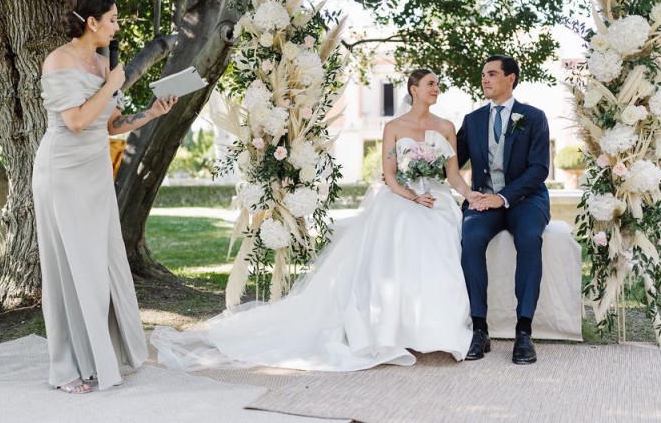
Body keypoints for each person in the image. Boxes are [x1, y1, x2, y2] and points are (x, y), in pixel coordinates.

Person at [152, 69, 480, 372]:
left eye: (437, 85)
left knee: (441, 230)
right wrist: (413, 196)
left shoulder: (445, 127)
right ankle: (392, 329)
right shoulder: (394, 127)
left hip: (435, 197)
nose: (437, 89)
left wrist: (472, 195)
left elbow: (453, 176)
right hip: (402, 196)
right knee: (404, 224)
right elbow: (391, 177)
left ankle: (437, 329)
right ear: (414, 89)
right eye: (431, 84)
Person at [33, 0, 177, 393]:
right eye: (112, 19)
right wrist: (112, 82)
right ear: (92, 22)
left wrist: (150, 113)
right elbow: (77, 121)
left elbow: (111, 124)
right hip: (62, 170)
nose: (116, 27)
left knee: (98, 265)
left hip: (95, 173)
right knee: (68, 266)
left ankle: (100, 356)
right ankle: (65, 368)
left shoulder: (103, 64)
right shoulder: (58, 60)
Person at [457, 54, 550, 365]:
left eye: (492, 74)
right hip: (485, 200)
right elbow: (449, 162)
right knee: (470, 237)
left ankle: (524, 331)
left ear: (511, 78)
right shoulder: (472, 120)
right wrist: (407, 169)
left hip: (527, 200)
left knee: (529, 238)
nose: (485, 79)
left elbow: (539, 169)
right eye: (483, 74)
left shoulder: (533, 117)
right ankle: (479, 329)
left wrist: (505, 197)